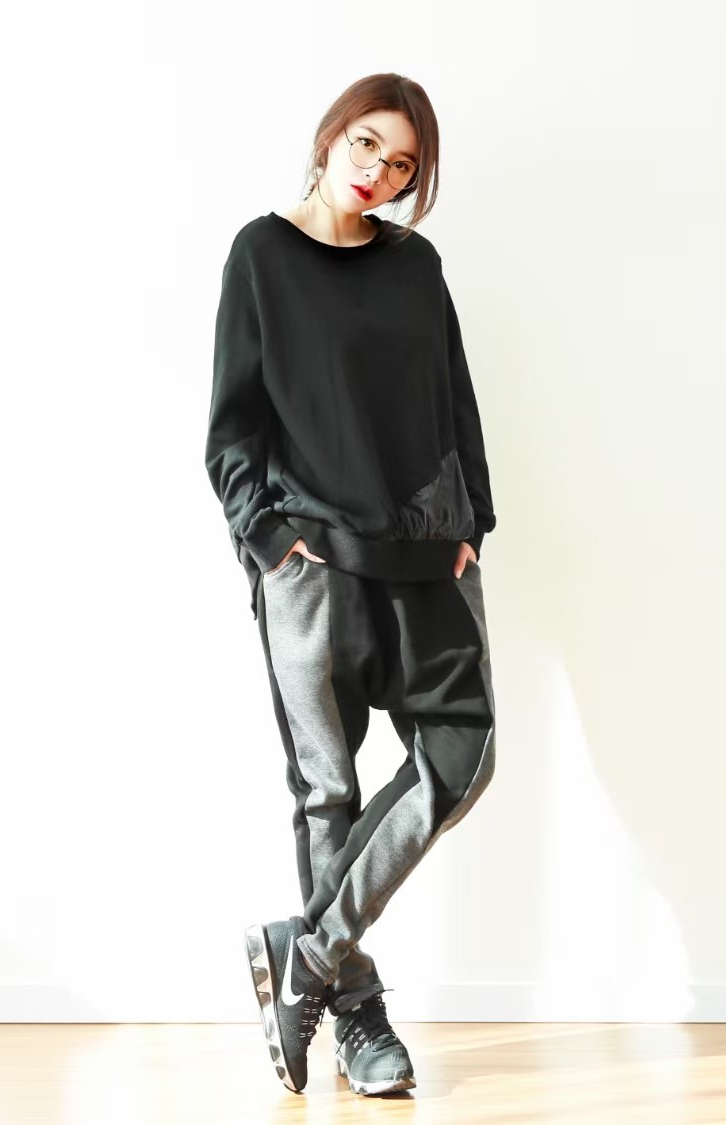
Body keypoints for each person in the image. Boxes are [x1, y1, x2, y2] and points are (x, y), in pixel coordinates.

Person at [204, 72, 497, 1098]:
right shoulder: (262, 256)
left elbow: (454, 396)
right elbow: (233, 424)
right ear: (332, 135)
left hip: (427, 554)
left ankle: (307, 953)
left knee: (463, 756)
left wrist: (472, 522)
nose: (380, 171)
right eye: (368, 143)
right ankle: (357, 1017)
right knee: (328, 791)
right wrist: (271, 537)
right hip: (313, 565)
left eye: (403, 163)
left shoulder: (416, 266)